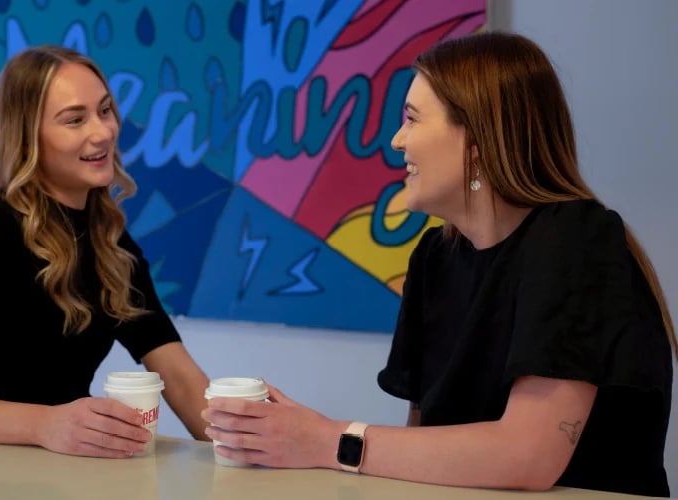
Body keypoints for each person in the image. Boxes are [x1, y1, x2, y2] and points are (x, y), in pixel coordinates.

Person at [201, 32, 675, 497]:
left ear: (478, 139)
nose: (396, 140)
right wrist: (297, 438)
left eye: (412, 119)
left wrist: (327, 439)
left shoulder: (575, 239)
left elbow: (529, 456)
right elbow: (423, 448)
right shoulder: (435, 259)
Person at [0, 45, 211, 458]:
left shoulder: (111, 244)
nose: (103, 132)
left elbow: (179, 377)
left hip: (58, 471)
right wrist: (44, 424)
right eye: (75, 119)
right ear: (29, 136)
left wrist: (249, 442)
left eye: (105, 110)